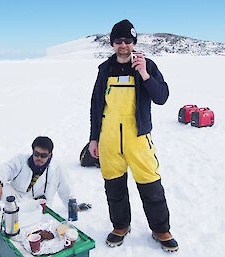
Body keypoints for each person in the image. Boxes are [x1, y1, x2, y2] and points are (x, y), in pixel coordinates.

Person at [88, 19, 178, 252]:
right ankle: (121, 226)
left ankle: (161, 229)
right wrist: (94, 138)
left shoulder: (146, 65)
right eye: (118, 41)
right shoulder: (104, 69)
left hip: (138, 138)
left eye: (128, 40)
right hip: (108, 138)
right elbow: (96, 105)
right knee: (114, 186)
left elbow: (162, 97)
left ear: (134, 42)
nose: (123, 45)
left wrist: (145, 74)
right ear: (112, 43)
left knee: (150, 184)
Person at [0, 136, 91, 252]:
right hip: (15, 197)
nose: (39, 158)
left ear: (50, 155)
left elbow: (67, 190)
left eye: (43, 155)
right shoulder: (21, 160)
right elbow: (5, 168)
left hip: (35, 209)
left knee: (18, 236)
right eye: (36, 154)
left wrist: (72, 205)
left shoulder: (57, 169)